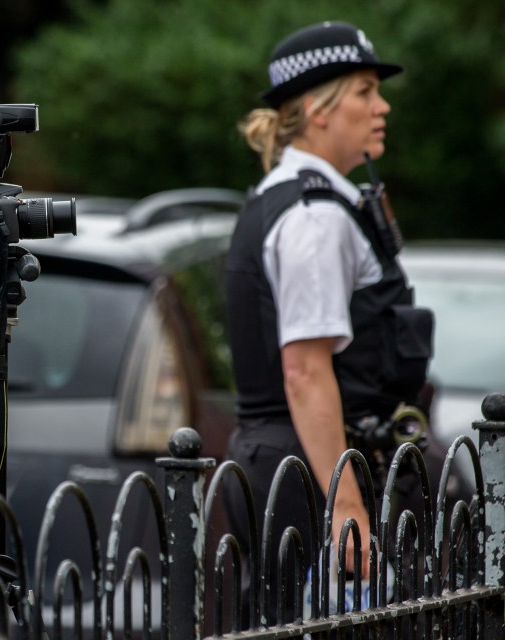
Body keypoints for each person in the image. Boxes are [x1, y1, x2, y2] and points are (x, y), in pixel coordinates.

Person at [223, 21, 433, 625]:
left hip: (294, 460)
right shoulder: (314, 213)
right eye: (365, 90)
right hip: (310, 470)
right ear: (319, 110)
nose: (381, 106)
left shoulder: (292, 194)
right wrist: (347, 506)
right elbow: (305, 371)